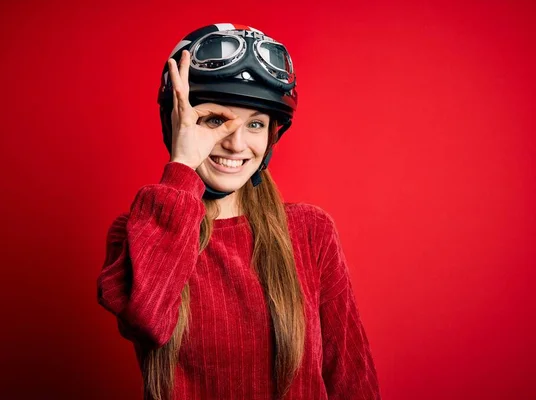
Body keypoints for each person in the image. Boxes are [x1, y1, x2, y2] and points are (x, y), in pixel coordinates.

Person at [97, 23, 381, 400]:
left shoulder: (311, 231)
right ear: (178, 124)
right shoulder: (136, 234)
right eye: (215, 121)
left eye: (256, 124)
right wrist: (182, 167)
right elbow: (148, 320)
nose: (236, 144)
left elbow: (350, 376)